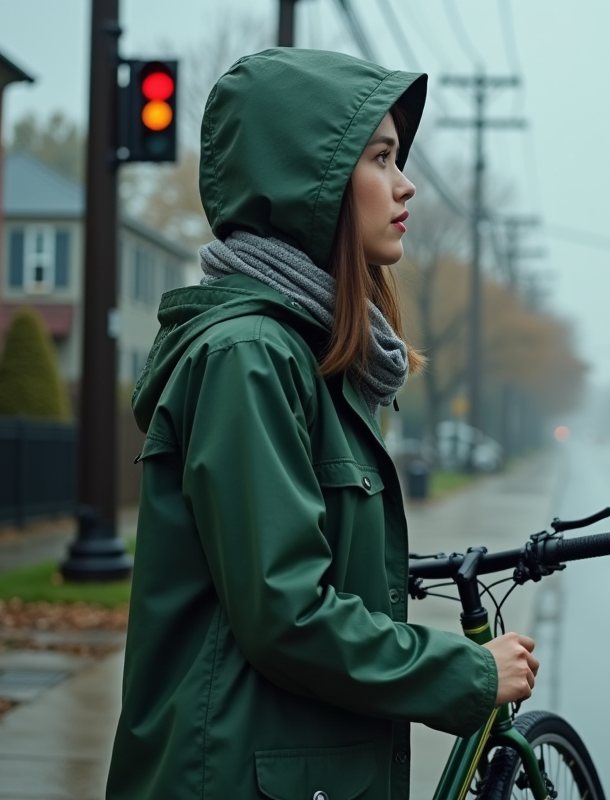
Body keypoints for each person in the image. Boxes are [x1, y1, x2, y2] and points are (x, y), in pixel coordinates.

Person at [105, 48, 538, 800]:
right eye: (380, 158)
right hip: (234, 775)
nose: (405, 185)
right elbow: (286, 611)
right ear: (312, 180)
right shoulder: (251, 356)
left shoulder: (309, 357)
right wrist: (465, 672)